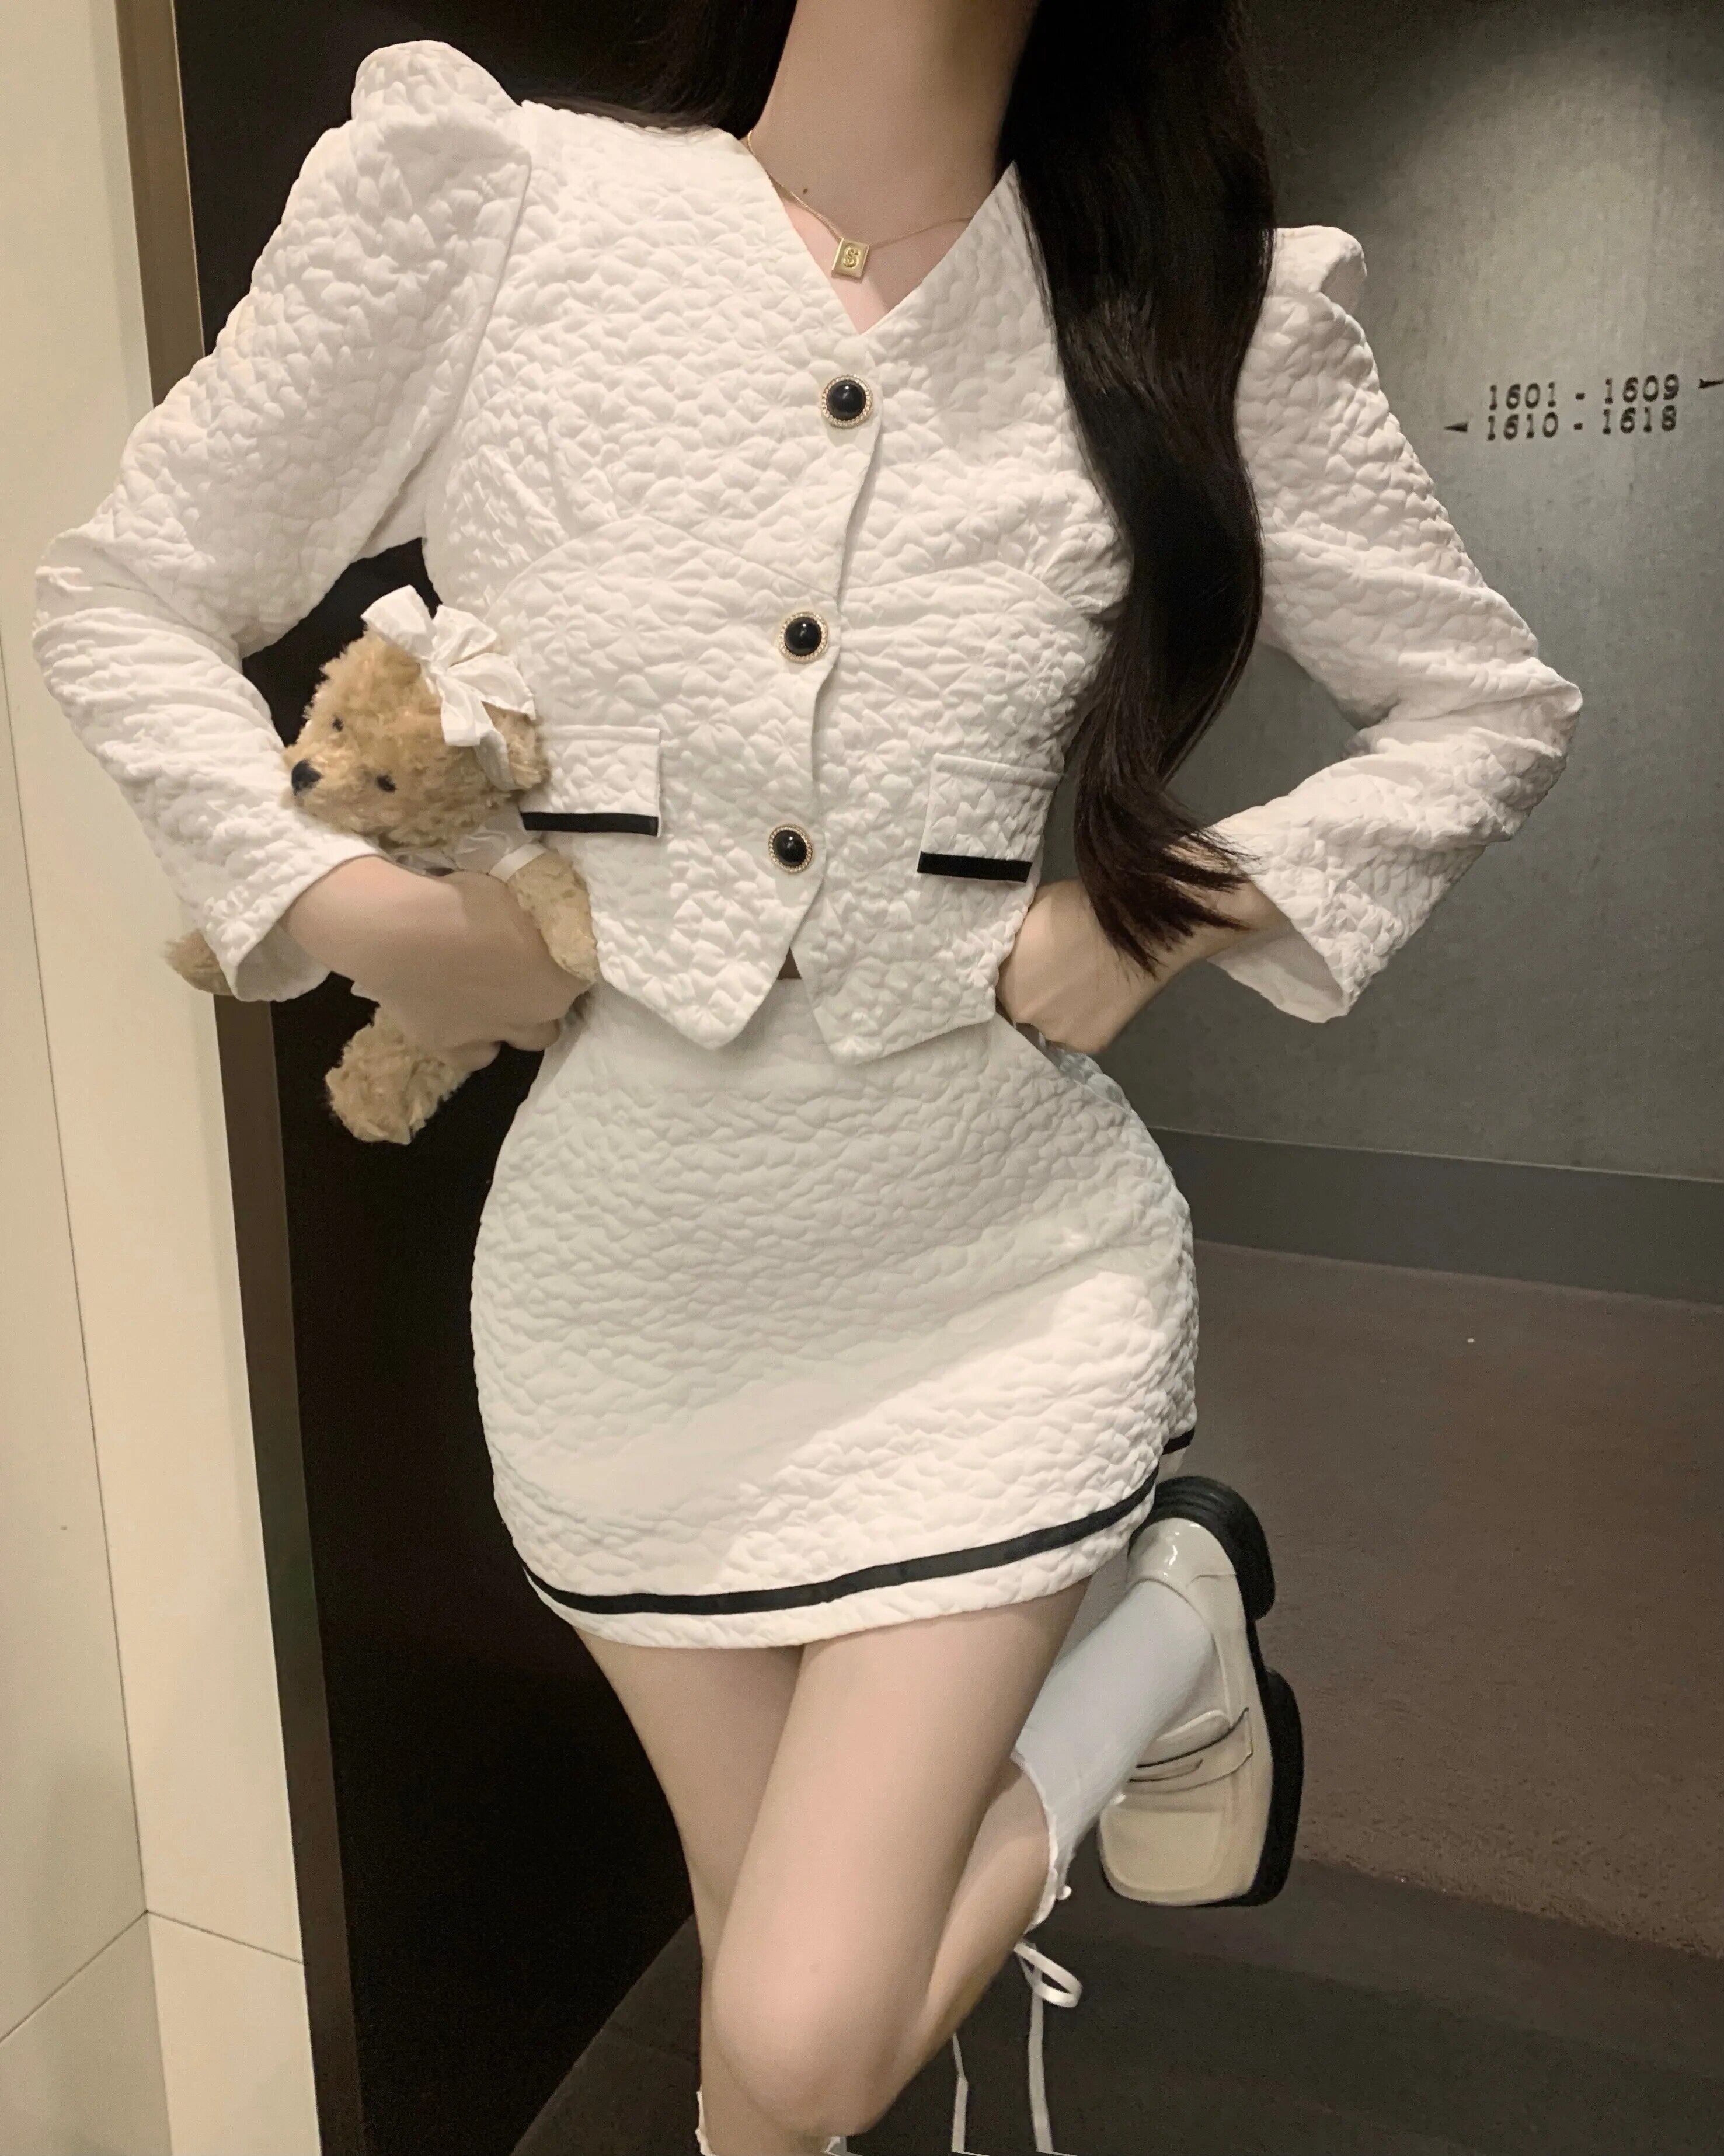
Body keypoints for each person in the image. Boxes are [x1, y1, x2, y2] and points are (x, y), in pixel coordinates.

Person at [32, 3, 1580, 2150]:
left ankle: (1164, 1627)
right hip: (624, 1308)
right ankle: (1170, 1623)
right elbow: (124, 596)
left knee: (804, 2030)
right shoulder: (494, 209)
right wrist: (363, 915)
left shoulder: (1197, 313)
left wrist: (1158, 913)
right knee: (763, 2056)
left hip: (993, 1283)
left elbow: (1484, 708)